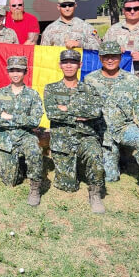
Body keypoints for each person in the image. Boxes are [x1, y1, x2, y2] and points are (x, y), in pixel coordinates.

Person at [83, 41, 139, 210]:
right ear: (100, 57)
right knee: (110, 177)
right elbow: (85, 106)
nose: (110, 60)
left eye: (114, 56)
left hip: (124, 127)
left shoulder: (131, 80)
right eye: (106, 56)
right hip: (101, 132)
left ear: (120, 57)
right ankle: (119, 158)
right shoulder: (90, 80)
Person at [43, 49, 106, 213]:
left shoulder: (89, 89)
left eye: (73, 62)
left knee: (96, 157)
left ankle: (95, 193)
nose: (69, 65)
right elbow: (52, 113)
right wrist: (80, 114)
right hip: (62, 140)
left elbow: (96, 112)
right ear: (60, 65)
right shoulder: (51, 88)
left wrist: (67, 109)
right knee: (68, 187)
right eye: (65, 62)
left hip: (86, 136)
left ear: (80, 65)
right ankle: (75, 169)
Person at [0, 56, 44, 205]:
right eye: (12, 70)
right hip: (5, 138)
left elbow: (35, 121)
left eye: (19, 70)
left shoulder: (33, 95)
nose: (15, 74)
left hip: (26, 135)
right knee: (10, 181)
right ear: (8, 72)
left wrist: (9, 116)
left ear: (25, 72)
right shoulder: (0, 93)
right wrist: (20, 119)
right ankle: (20, 167)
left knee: (34, 151)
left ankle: (35, 187)